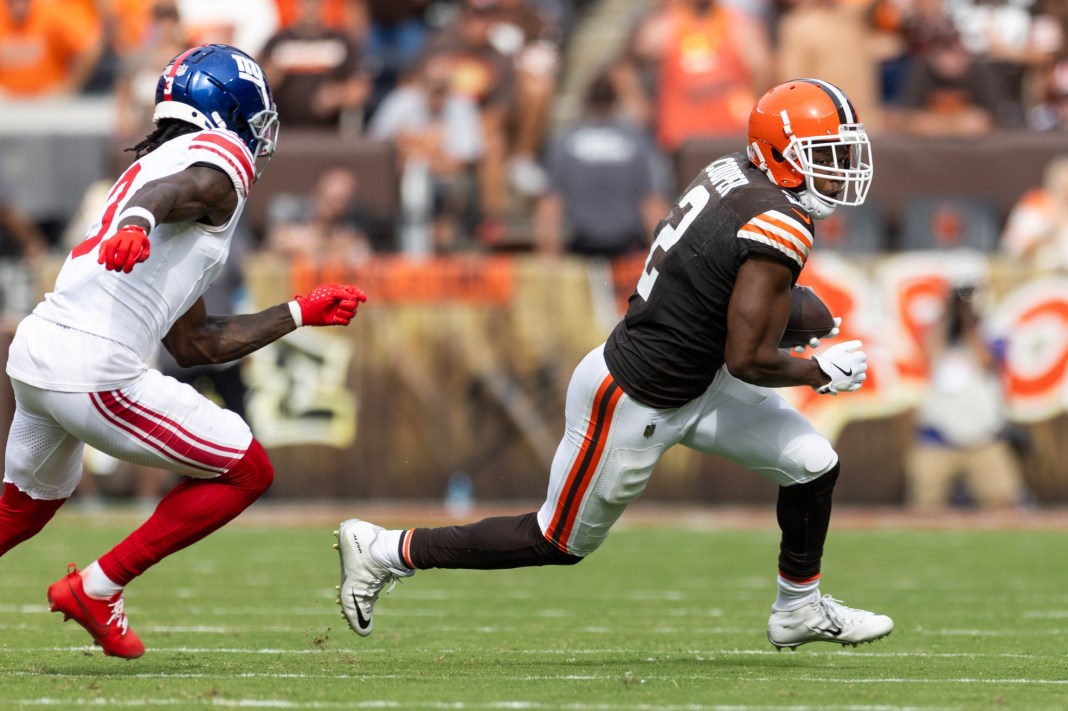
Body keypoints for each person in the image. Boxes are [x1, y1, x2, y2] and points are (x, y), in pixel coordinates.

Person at [332, 78, 895, 650]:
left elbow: (719, 292)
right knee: (555, 541)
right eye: (825, 155)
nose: (841, 169)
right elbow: (747, 358)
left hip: (696, 382)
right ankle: (384, 550)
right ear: (781, 153)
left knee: (813, 463)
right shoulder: (781, 220)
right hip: (636, 399)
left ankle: (798, 608)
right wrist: (819, 372)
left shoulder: (734, 174)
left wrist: (781, 314)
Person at [0, 43, 367, 660]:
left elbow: (195, 342)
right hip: (92, 365)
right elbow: (173, 191)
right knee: (247, 469)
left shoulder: (163, 169)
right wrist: (138, 223)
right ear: (232, 109)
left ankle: (96, 587)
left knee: (24, 508)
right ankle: (99, 586)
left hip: (40, 355)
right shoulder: (215, 162)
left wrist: (297, 312)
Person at [904, 283, 1027, 511]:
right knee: (924, 506)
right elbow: (929, 356)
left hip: (983, 439)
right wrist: (949, 316)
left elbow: (987, 361)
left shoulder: (993, 331)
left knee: (1004, 503)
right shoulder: (937, 331)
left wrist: (969, 322)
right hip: (936, 439)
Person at [533, 68, 668, 258]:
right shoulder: (637, 142)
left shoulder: (565, 142)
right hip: (627, 254)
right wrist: (659, 260)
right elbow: (652, 203)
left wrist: (548, 253)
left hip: (583, 250)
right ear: (616, 101)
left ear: (586, 101)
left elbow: (551, 204)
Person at [260, 0, 370, 132]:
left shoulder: (341, 41)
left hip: (329, 134)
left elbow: (360, 89)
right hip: (284, 133)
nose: (310, 7)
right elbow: (256, 86)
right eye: (305, 3)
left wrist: (338, 96)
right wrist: (271, 78)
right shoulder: (277, 41)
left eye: (314, 3)